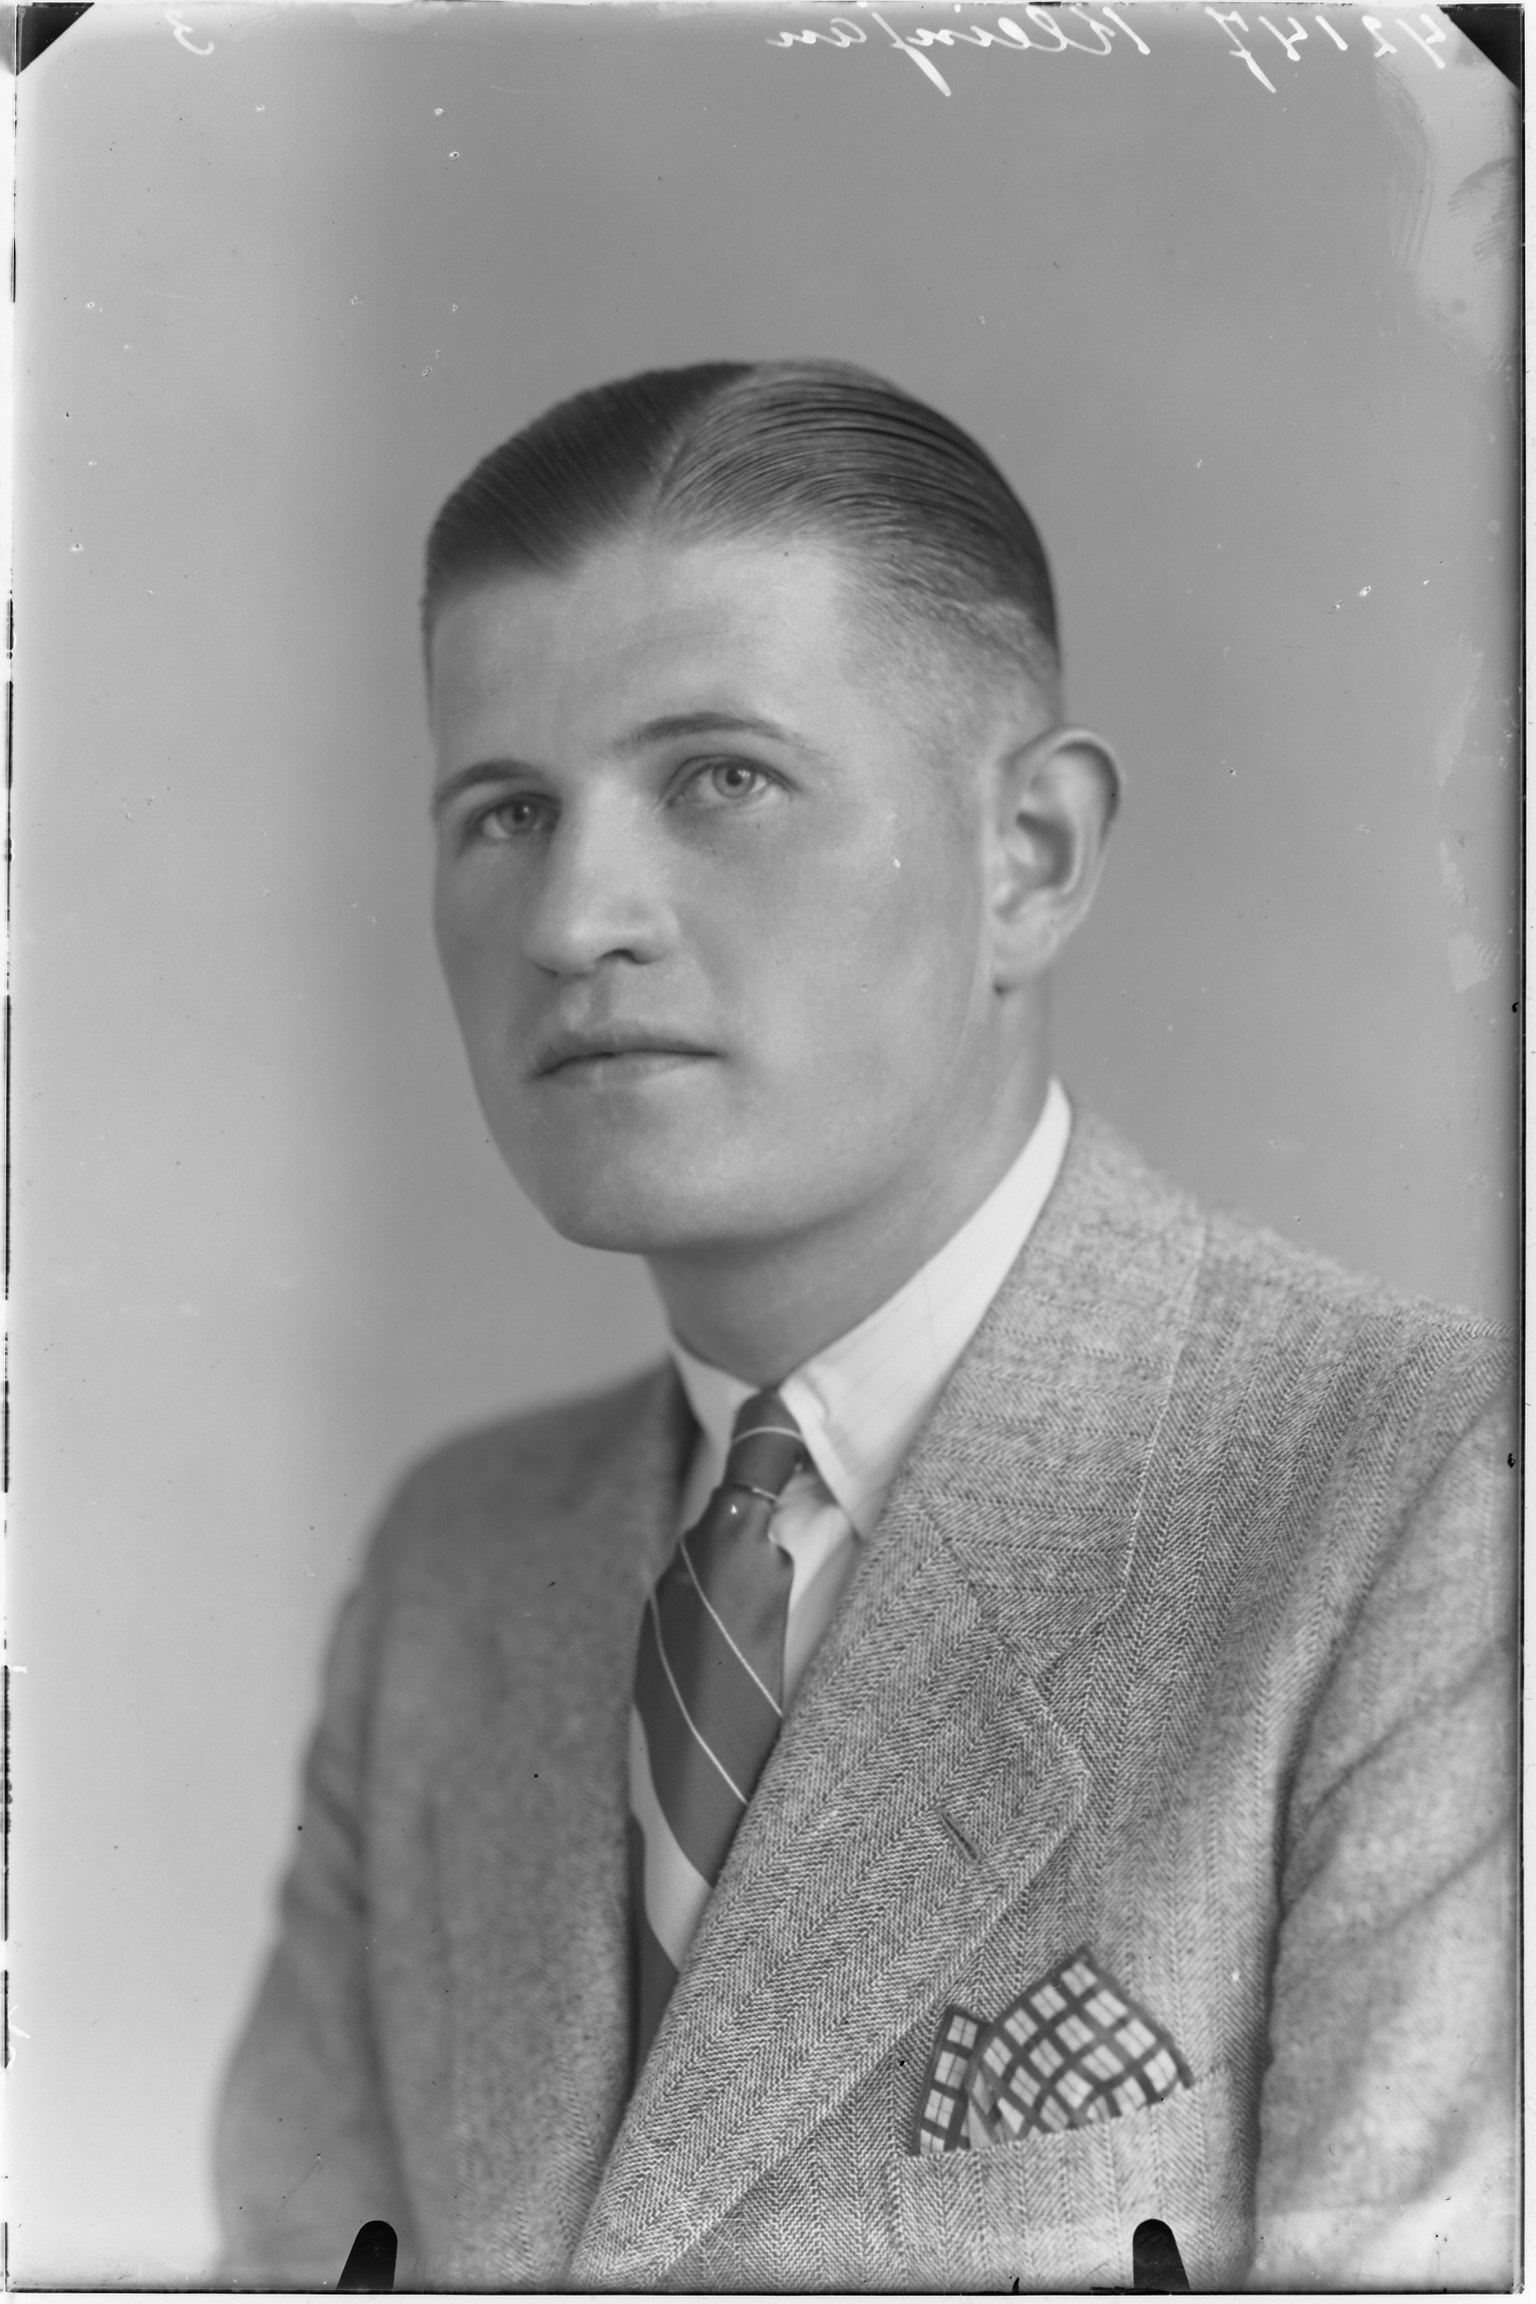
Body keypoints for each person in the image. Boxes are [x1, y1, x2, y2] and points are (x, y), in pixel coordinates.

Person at [213, 360, 1514, 2292]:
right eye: (506, 811)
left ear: (1030, 858)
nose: (573, 919)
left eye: (719, 779)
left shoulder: (1424, 1503)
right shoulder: (455, 1572)